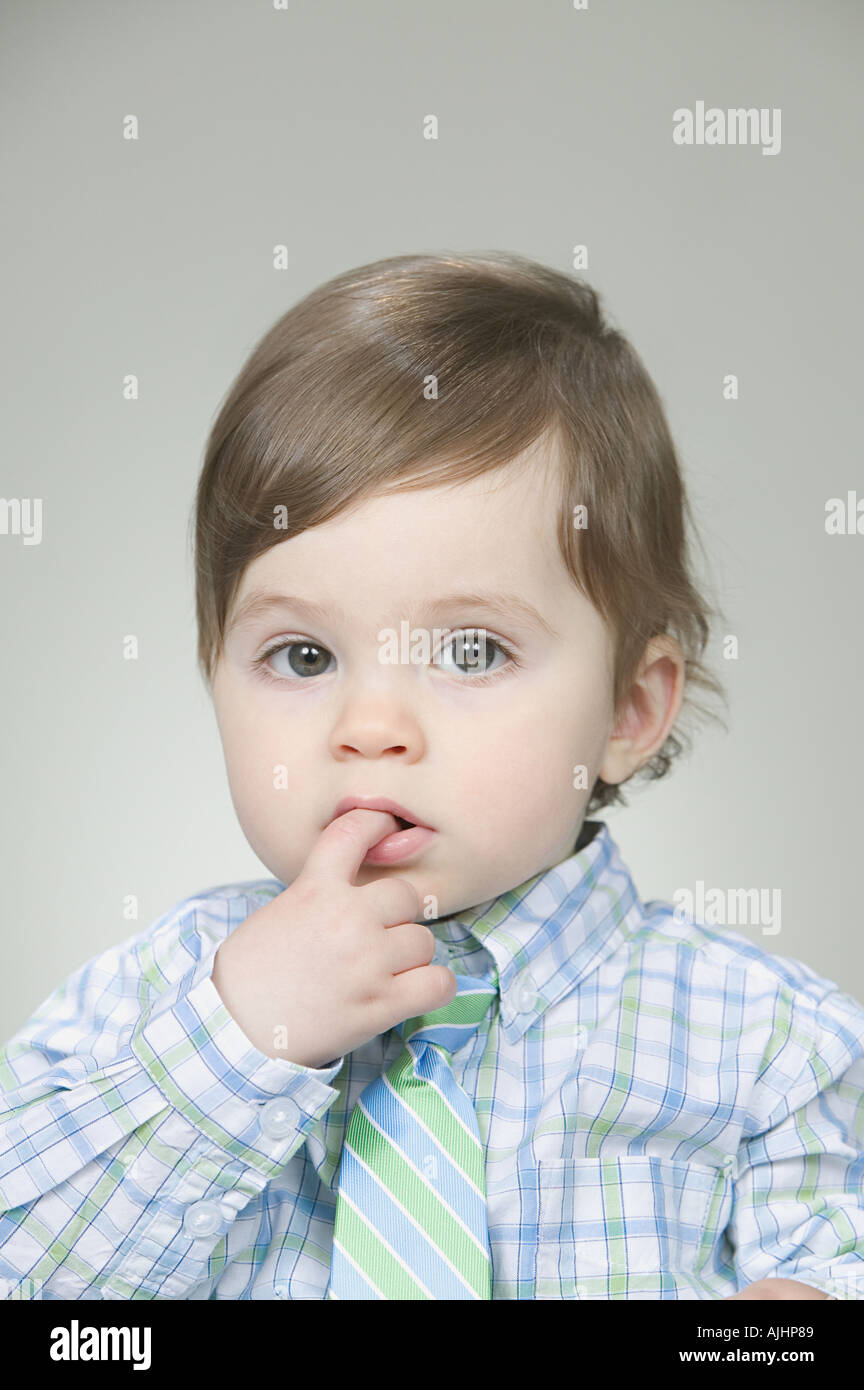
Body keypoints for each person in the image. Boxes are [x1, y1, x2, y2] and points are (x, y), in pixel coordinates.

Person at [1, 252, 861, 1300]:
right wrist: (235, 1044)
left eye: (471, 652)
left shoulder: (769, 1044)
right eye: (304, 656)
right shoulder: (144, 1008)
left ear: (631, 710)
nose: (370, 727)